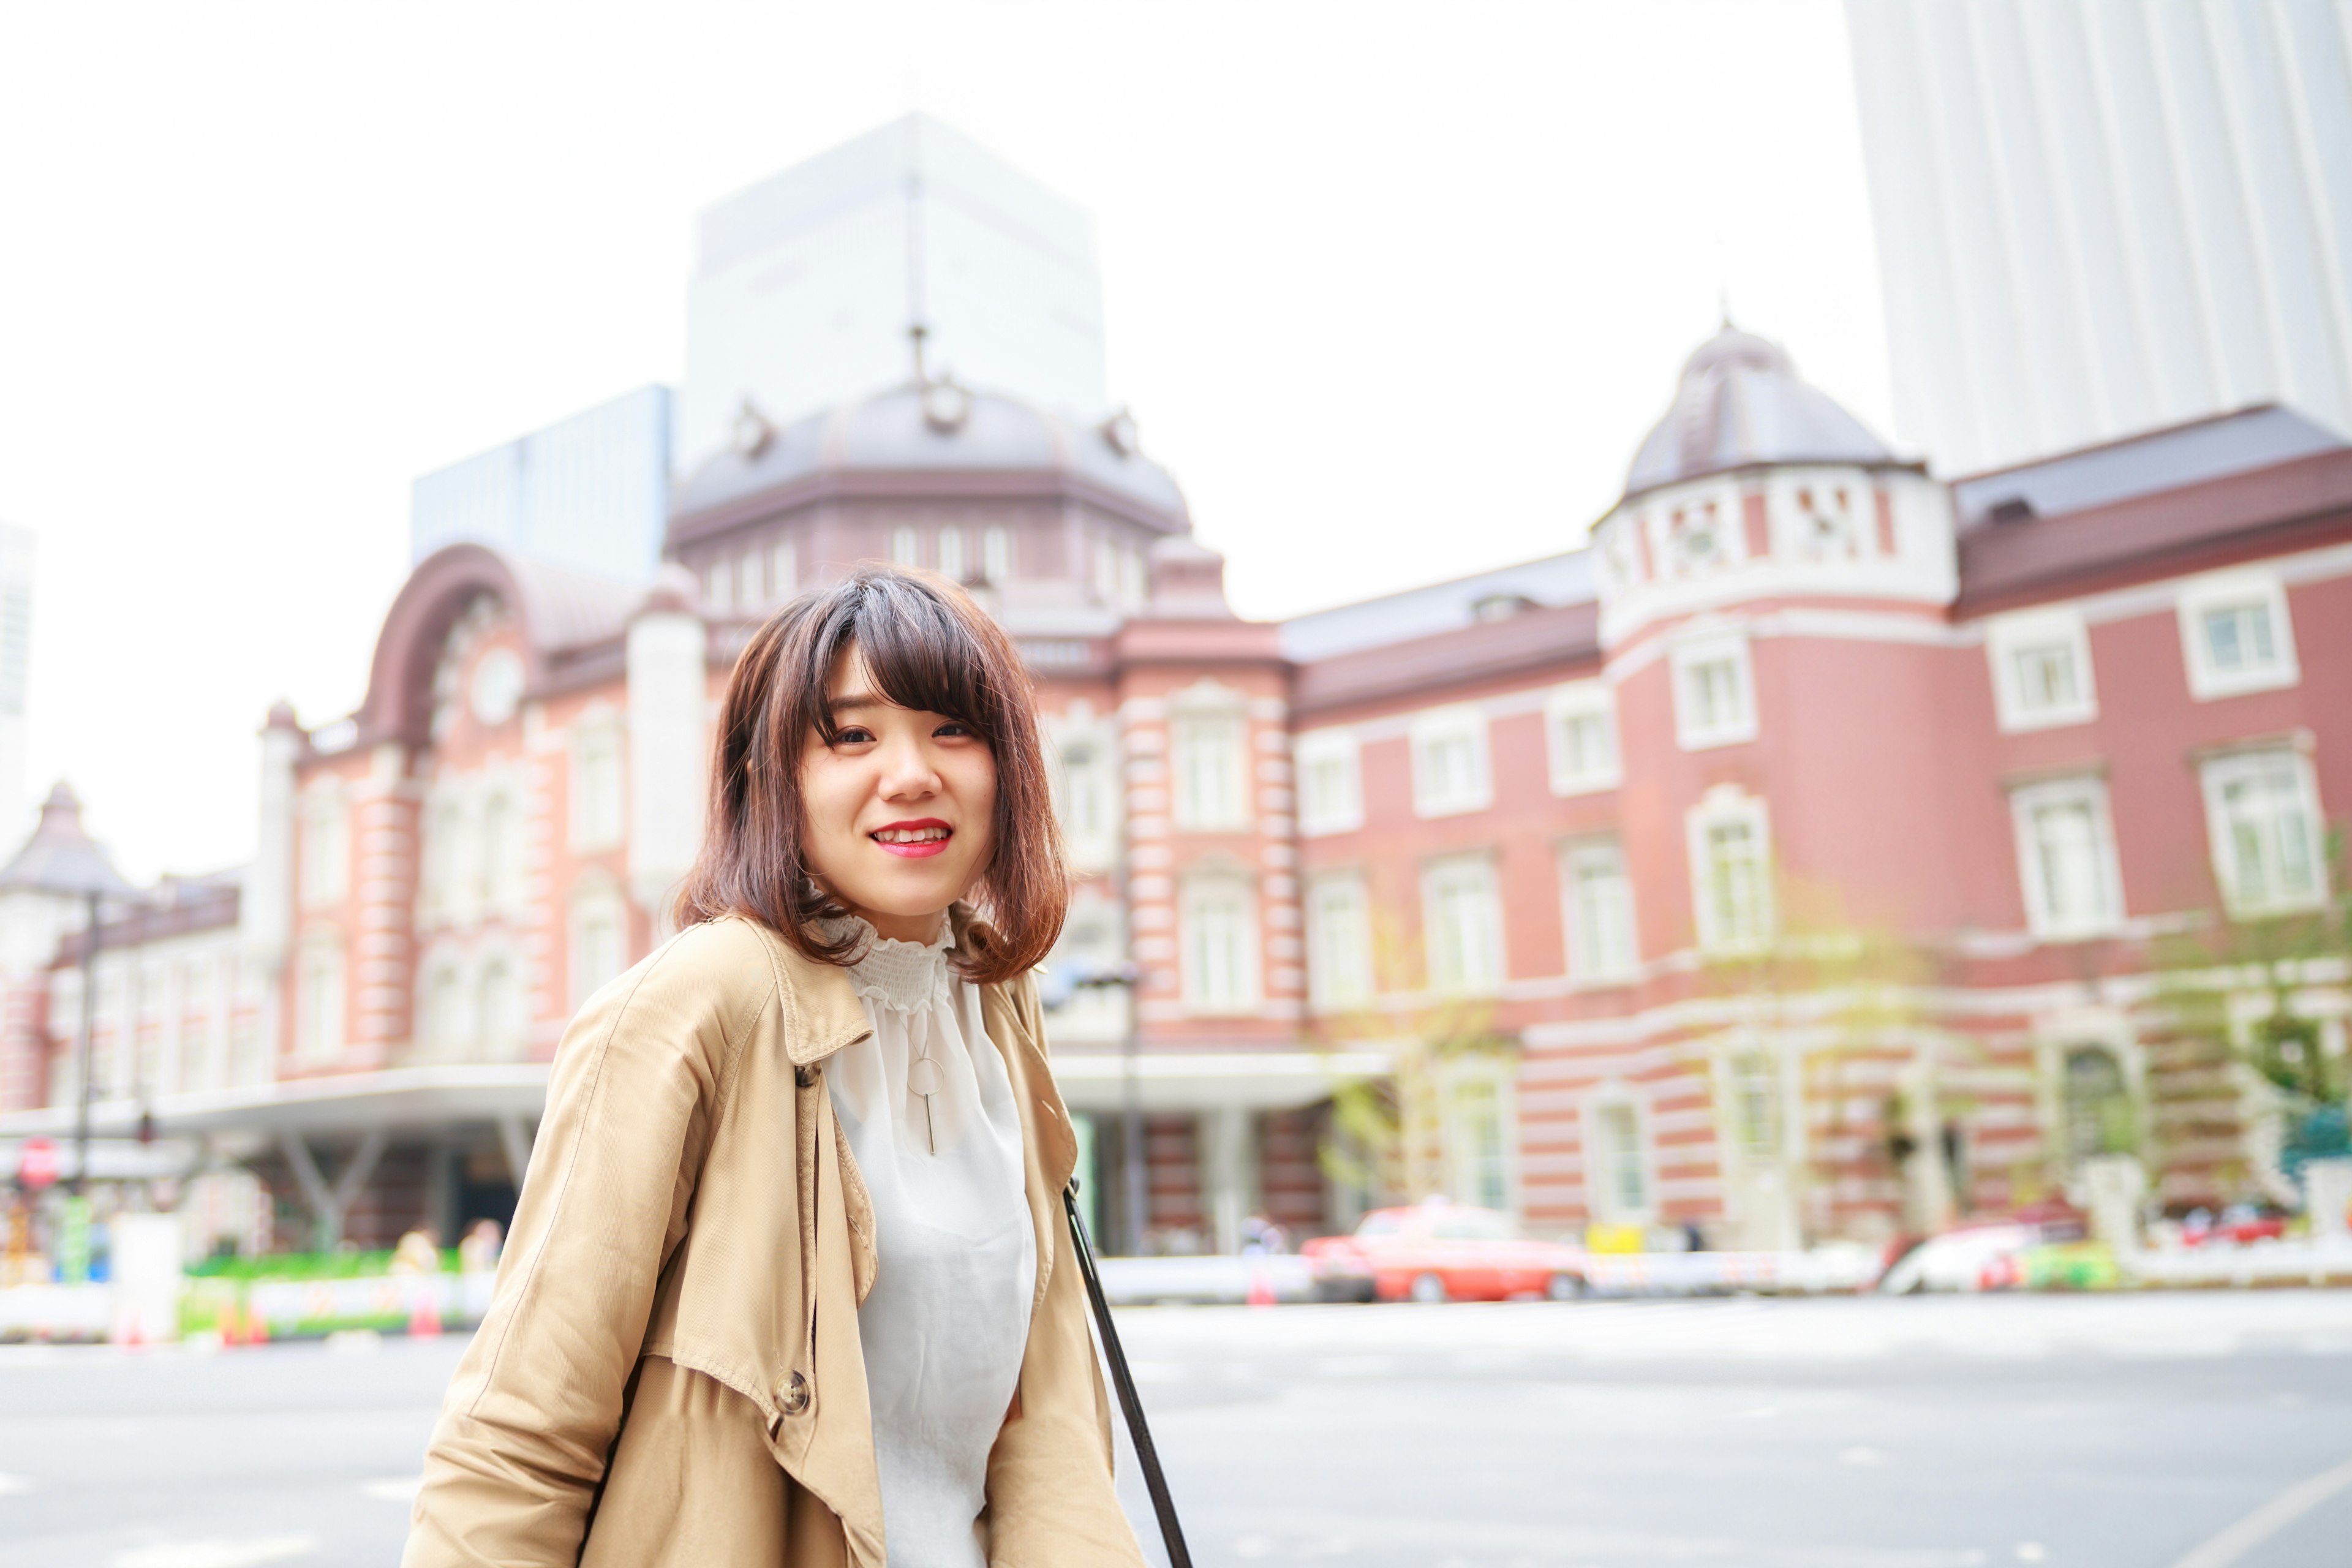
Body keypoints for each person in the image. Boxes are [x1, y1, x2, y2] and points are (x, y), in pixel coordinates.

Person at [401, 567, 1144, 1567]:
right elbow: (519, 1436)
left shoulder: (996, 1002)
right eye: (852, 735)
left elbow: (1044, 1412)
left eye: (952, 730)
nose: (912, 772)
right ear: (772, 775)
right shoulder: (694, 1005)